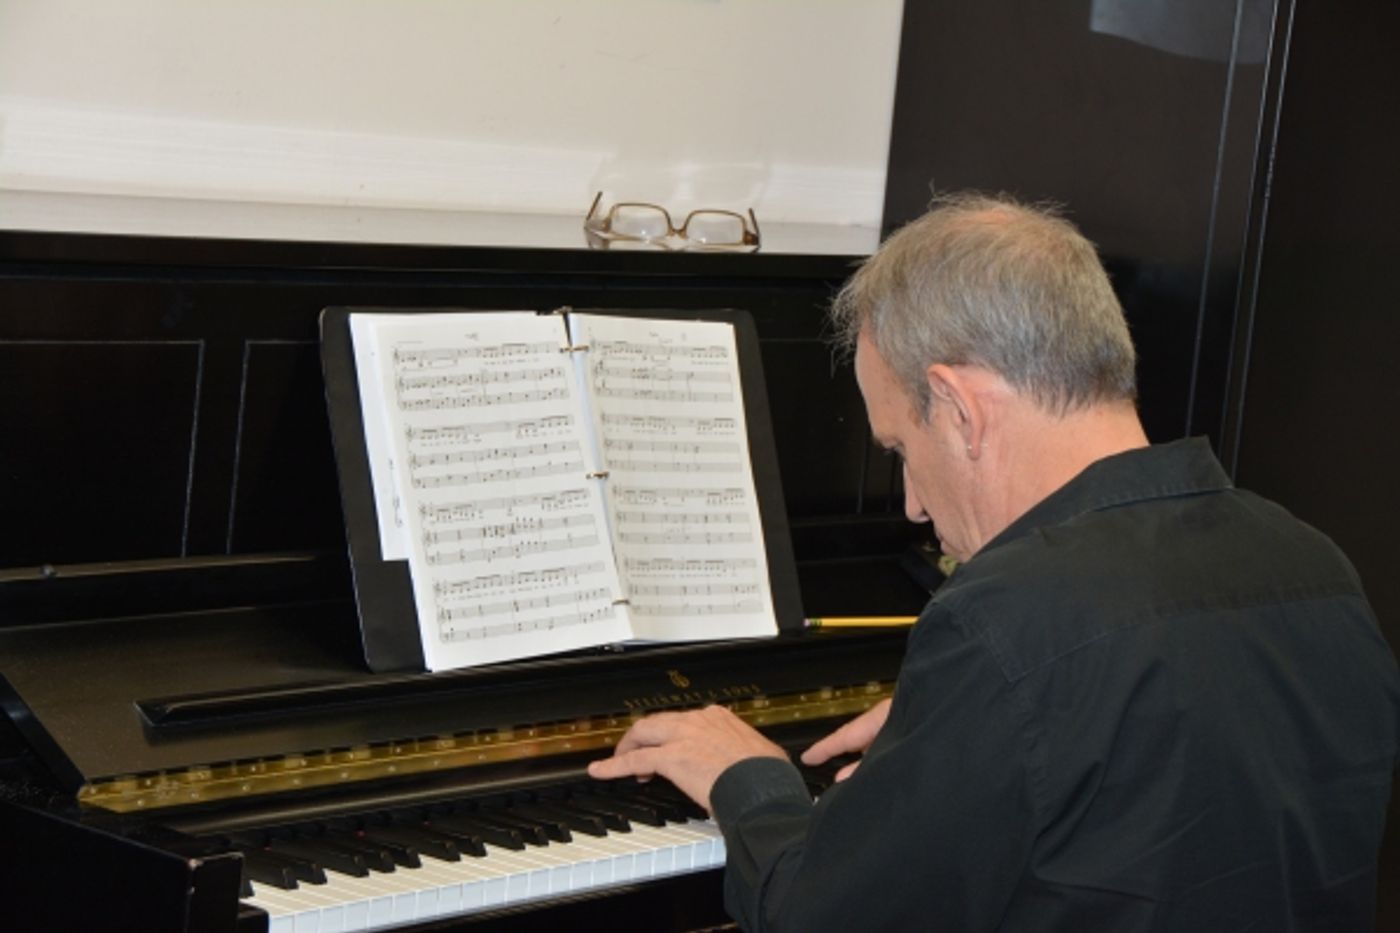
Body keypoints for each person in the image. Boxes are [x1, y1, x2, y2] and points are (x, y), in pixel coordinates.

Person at [588, 193, 1400, 931]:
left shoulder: (1006, 619)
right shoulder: (1316, 566)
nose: (910, 503)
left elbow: (822, 918)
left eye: (900, 447)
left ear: (960, 407)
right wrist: (959, 737)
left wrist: (750, 778)